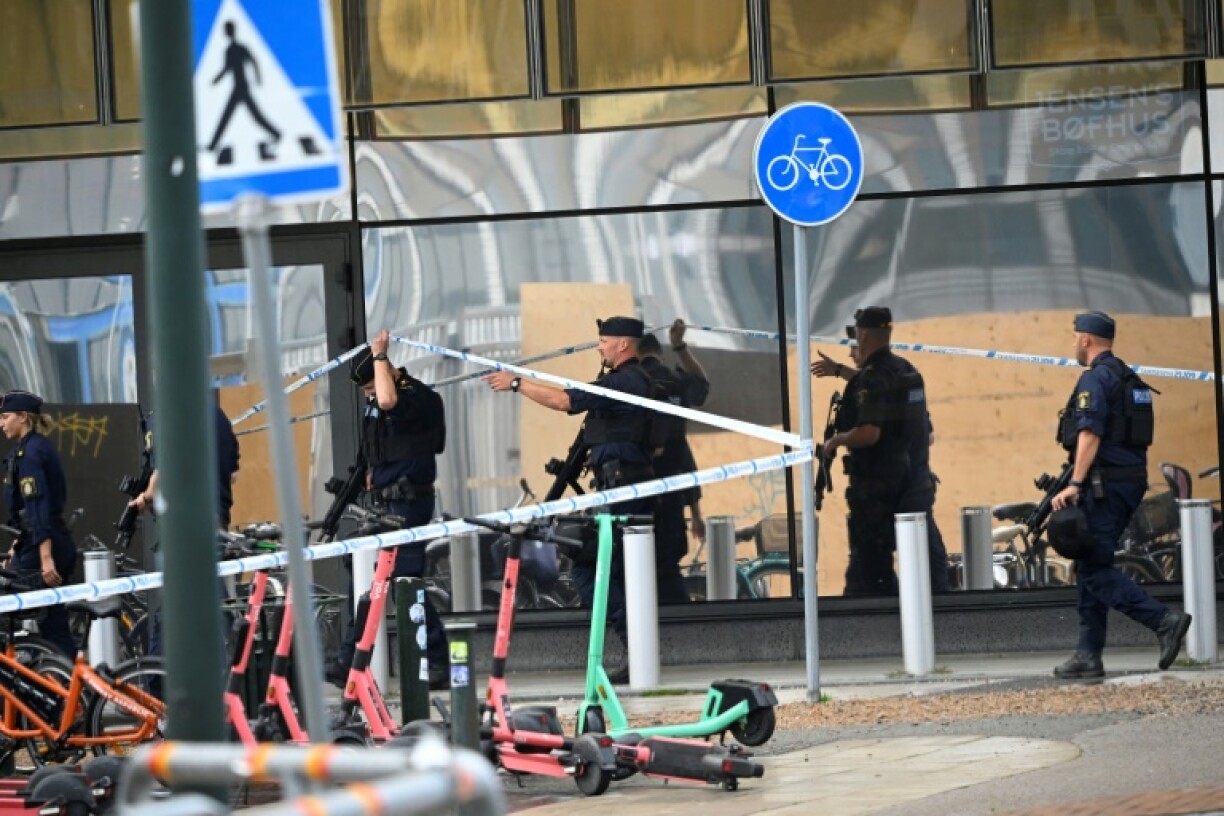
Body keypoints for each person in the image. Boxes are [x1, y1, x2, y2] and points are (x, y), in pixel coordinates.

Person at [483, 316, 655, 683]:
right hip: (620, 489)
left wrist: (517, 383)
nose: (599, 346)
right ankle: (638, 651)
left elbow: (564, 401)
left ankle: (637, 650)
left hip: (624, 494)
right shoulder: (632, 381)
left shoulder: (624, 382)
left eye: (604, 340)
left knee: (589, 567)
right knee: (607, 570)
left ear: (623, 344)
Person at [1048, 311, 1190, 679]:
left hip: (1104, 485)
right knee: (1089, 562)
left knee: (1094, 569)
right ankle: (1088, 654)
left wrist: (1075, 484)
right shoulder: (1131, 379)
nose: (1074, 343)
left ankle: (1162, 620)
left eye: (1075, 337)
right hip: (1127, 481)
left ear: (1085, 340)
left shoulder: (1095, 379)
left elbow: (1090, 434)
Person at [330, 329, 449, 690]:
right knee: (365, 576)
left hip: (409, 504)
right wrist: (370, 476)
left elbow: (386, 401)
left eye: (369, 387)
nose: (369, 395)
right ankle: (348, 660)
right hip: (385, 505)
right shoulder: (379, 399)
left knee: (404, 582)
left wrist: (380, 356)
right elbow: (377, 436)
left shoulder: (416, 397)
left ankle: (439, 660)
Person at [812, 336, 950, 593]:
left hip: (883, 496)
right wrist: (839, 371)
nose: (852, 355)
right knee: (927, 566)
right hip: (907, 491)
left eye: (855, 348)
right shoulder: (900, 378)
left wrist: (838, 441)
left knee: (870, 574)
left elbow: (871, 430)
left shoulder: (879, 387)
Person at [130, 394, 241, 657]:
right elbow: (234, 474)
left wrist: (145, 498)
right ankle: (237, 661)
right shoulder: (218, 416)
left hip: (185, 525)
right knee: (208, 600)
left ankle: (156, 687)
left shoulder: (170, 415)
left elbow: (163, 469)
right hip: (215, 518)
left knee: (175, 608)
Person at [637, 320, 710, 604]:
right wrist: (680, 346)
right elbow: (702, 386)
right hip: (671, 500)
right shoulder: (673, 381)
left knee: (637, 574)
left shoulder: (632, 381)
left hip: (637, 493)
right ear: (661, 353)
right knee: (667, 573)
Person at [1, 390, 78, 657]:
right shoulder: (33, 447)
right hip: (41, 540)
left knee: (9, 606)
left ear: (23, 417)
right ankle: (64, 683)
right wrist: (15, 547)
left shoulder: (30, 454)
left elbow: (38, 506)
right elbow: (27, 512)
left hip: (43, 545)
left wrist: (45, 558)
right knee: (52, 622)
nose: (2, 423)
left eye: (6, 417)